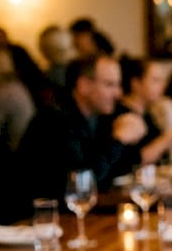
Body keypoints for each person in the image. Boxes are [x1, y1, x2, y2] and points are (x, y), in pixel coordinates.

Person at [15, 53, 146, 204]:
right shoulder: (54, 121)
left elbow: (123, 168)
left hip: (81, 211)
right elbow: (81, 184)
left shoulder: (101, 116)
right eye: (109, 85)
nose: (119, 93)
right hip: (42, 214)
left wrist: (131, 134)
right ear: (83, 86)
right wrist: (118, 140)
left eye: (118, 84)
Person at [117, 55, 172, 165]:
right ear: (136, 83)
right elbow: (133, 161)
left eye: (162, 81)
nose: (162, 86)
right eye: (156, 80)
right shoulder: (122, 115)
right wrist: (169, 137)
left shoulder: (147, 114)